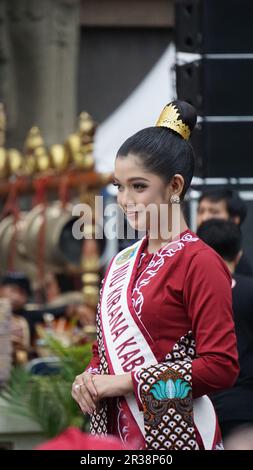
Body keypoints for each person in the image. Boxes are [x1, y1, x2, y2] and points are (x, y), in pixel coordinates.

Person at [72, 100, 239, 450]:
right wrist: (88, 378)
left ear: (174, 187)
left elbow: (221, 368)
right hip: (116, 439)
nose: (124, 199)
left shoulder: (200, 262)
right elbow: (102, 352)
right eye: (119, 186)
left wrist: (125, 383)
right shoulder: (122, 262)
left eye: (138, 186)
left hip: (179, 437)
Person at [197, 219, 253, 443]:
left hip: (203, 405)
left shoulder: (192, 293)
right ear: (238, 255)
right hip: (245, 407)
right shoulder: (250, 290)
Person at [196, 189, 253, 277]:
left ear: (234, 220)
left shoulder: (243, 268)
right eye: (201, 211)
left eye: (214, 212)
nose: (204, 218)